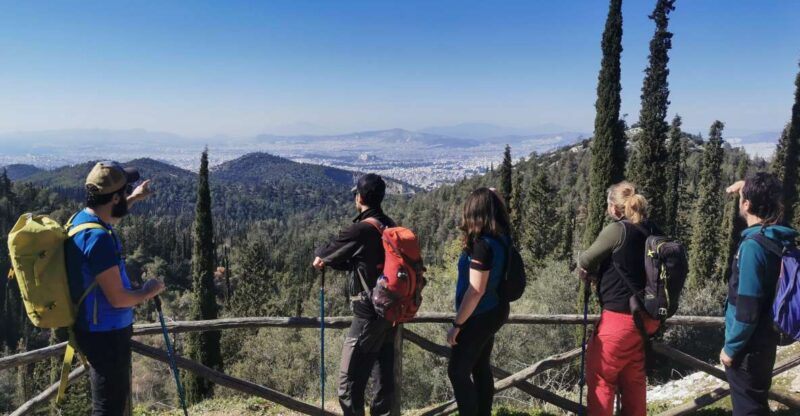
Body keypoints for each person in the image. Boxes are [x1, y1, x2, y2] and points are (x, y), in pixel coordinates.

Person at [66, 161, 165, 416]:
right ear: (115, 197)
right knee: (108, 408)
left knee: (109, 403)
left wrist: (133, 198)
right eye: (126, 190)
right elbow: (119, 299)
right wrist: (149, 290)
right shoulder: (99, 239)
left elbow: (110, 218)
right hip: (106, 335)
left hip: (92, 327)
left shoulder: (83, 220)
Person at [312, 173, 397, 416]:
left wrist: (320, 256)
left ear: (359, 197)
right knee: (382, 375)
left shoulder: (360, 229)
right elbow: (362, 261)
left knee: (348, 385)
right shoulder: (389, 224)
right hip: (389, 312)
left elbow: (325, 254)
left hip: (367, 313)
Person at [577, 181, 661, 416]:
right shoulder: (653, 229)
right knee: (634, 381)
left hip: (618, 320)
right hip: (644, 319)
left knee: (602, 380)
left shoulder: (617, 230)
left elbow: (585, 260)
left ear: (615, 208)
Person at [721, 173, 798, 416]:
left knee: (748, 410)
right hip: (766, 341)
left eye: (743, 198)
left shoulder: (753, 247)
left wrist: (730, 349)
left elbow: (747, 309)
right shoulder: (778, 239)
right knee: (756, 404)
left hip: (747, 348)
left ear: (746, 205)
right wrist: (748, 188)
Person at [446, 187, 510, 416]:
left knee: (457, 371)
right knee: (480, 367)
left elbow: (475, 291)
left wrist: (457, 325)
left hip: (478, 315)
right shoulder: (502, 236)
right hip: (495, 310)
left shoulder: (483, 246)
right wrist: (493, 195)